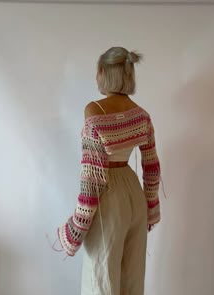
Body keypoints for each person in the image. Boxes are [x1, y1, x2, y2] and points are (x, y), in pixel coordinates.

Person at [57, 47, 162, 295]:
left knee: (100, 280)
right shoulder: (141, 115)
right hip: (133, 194)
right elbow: (152, 167)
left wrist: (77, 226)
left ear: (103, 73)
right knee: (132, 278)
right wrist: (150, 209)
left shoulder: (94, 110)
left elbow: (92, 178)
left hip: (109, 196)